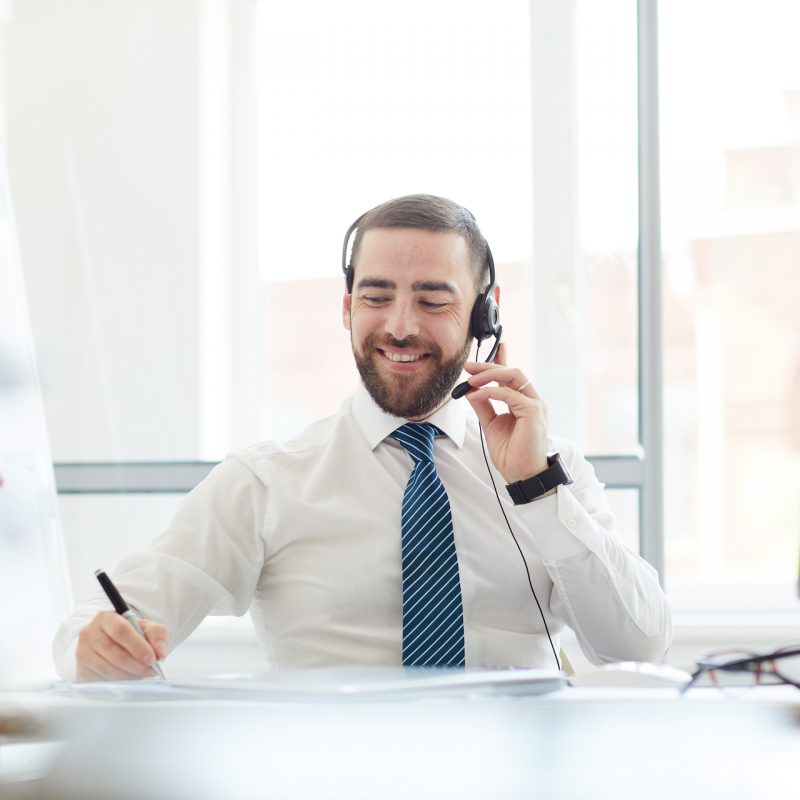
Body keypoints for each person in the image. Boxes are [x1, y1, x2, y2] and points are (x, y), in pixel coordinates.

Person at [53, 194, 671, 682]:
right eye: (377, 296)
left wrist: (538, 491)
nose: (400, 327)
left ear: (486, 312)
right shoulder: (268, 481)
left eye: (432, 300)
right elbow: (102, 620)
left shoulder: (547, 470)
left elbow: (637, 644)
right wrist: (96, 646)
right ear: (348, 307)